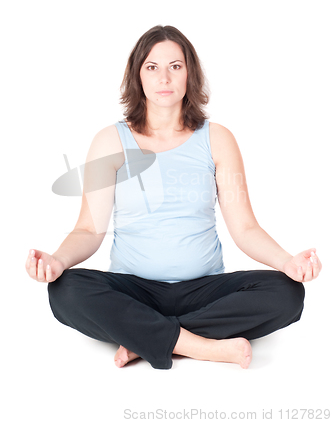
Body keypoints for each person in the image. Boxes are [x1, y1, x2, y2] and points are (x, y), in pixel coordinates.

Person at [25, 25, 322, 370]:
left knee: (287, 293)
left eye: (175, 66)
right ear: (138, 76)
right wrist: (58, 261)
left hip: (203, 289)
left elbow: (245, 228)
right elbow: (89, 229)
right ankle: (201, 345)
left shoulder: (217, 138)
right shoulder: (110, 140)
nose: (164, 77)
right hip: (133, 289)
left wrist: (288, 262)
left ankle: (145, 337)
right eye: (152, 67)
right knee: (66, 291)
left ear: (189, 75)